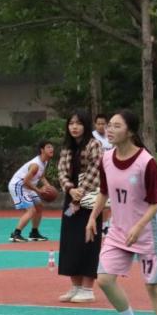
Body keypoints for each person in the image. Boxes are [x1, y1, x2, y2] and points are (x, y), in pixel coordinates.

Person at [85, 110, 157, 315]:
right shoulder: (106, 158)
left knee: (153, 288)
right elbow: (104, 192)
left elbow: (155, 203)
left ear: (130, 131)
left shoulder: (146, 162)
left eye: (116, 126)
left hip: (148, 232)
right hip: (119, 230)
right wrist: (93, 217)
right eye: (109, 126)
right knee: (104, 279)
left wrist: (139, 226)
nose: (109, 130)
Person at [55, 110, 103, 303]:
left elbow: (96, 170)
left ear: (85, 125)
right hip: (71, 196)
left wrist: (79, 192)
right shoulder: (67, 147)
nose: (74, 127)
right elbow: (61, 171)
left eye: (78, 123)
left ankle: (87, 289)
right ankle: (75, 286)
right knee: (70, 241)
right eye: (71, 123)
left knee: (88, 241)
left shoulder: (94, 144)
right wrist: (70, 189)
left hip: (90, 197)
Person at [8, 141, 56, 242]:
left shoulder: (44, 162)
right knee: (31, 210)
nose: (51, 149)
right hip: (19, 186)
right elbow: (25, 181)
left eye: (52, 147)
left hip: (28, 186)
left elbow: (41, 177)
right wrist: (39, 191)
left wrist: (49, 187)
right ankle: (15, 234)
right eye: (48, 147)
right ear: (42, 150)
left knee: (39, 206)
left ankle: (34, 233)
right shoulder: (35, 165)